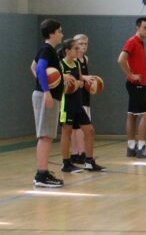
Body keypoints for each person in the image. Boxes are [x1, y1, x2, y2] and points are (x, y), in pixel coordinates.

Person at [58, 38, 103, 173]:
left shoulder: (77, 63)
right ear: (67, 51)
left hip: (78, 103)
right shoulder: (61, 65)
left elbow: (80, 82)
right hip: (66, 104)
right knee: (67, 132)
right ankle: (66, 163)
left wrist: (87, 83)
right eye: (75, 48)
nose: (78, 50)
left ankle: (89, 161)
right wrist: (68, 83)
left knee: (90, 131)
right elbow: (57, 84)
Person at [32, 19, 65, 188]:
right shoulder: (46, 49)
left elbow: (33, 67)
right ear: (51, 33)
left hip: (46, 95)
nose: (61, 34)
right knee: (45, 136)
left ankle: (43, 172)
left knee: (47, 136)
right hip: (46, 96)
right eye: (59, 31)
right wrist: (46, 91)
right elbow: (39, 68)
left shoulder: (47, 50)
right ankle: (41, 175)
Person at [118, 17, 146, 159]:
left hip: (137, 84)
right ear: (137, 27)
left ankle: (131, 147)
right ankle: (141, 147)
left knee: (132, 115)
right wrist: (131, 75)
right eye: (145, 27)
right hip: (136, 85)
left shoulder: (140, 43)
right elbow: (121, 59)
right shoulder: (132, 41)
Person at [69, 34, 91, 166]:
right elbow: (77, 77)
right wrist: (85, 78)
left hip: (85, 94)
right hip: (75, 94)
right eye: (81, 43)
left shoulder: (85, 59)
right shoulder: (72, 59)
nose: (83, 46)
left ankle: (81, 152)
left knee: (83, 126)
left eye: (85, 44)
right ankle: (75, 152)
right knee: (75, 127)